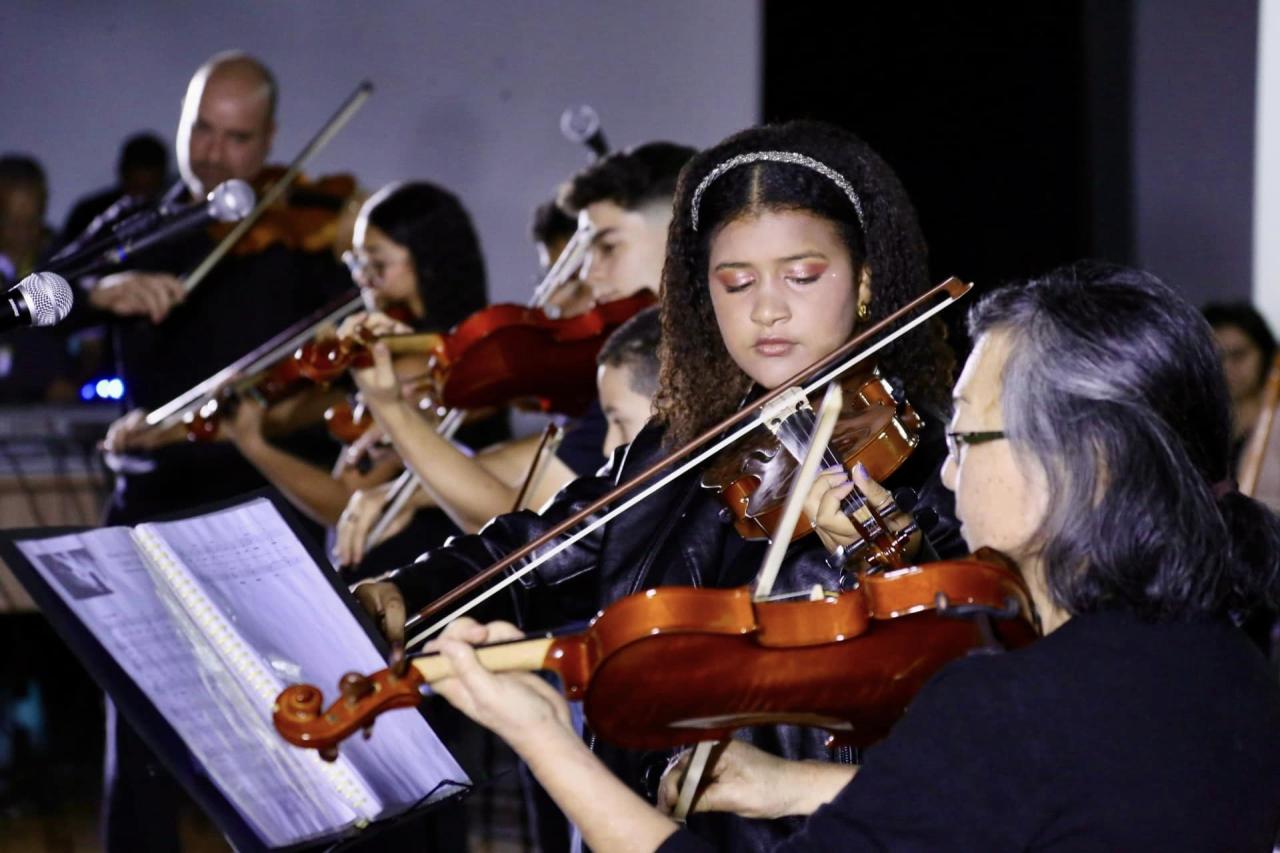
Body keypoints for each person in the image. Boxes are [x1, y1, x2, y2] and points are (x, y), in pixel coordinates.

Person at [425, 261, 1280, 852]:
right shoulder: (1228, 659)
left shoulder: (1014, 703)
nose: (943, 468)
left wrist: (543, 737)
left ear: (1087, 463)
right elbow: (1037, 806)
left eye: (968, 435)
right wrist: (789, 787)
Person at [354, 120, 960, 850]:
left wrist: (883, 560)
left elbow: (968, 696)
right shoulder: (683, 447)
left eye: (802, 275)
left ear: (863, 283)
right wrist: (408, 589)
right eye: (735, 281)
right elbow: (537, 552)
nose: (766, 308)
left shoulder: (938, 462)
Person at [64, 51, 351, 853]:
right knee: (142, 728)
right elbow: (38, 301)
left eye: (237, 138)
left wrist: (248, 417)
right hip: (147, 503)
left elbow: (338, 377)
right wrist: (98, 292)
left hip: (262, 505)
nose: (215, 157)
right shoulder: (132, 225)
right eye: (203, 133)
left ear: (270, 142)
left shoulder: (302, 236)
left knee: (280, 732)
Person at [332, 143, 695, 567]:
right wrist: (405, 492)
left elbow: (518, 520)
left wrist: (390, 407)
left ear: (677, 238)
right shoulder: (643, 359)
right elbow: (534, 464)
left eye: (608, 248)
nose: (589, 275)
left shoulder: (671, 371)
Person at [58, 132, 169, 246]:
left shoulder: (171, 213)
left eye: (148, 189)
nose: (140, 200)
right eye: (136, 189)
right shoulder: (89, 213)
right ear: (123, 174)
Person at [1203, 302, 1278, 469]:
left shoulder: (1276, 426)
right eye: (1216, 358)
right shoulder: (1195, 428)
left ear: (1265, 355)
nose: (1226, 367)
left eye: (1238, 355)